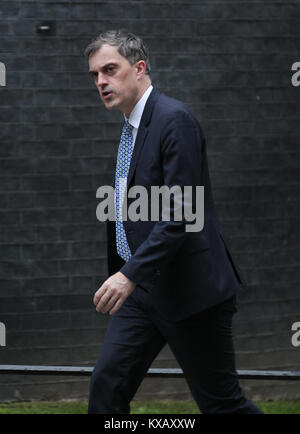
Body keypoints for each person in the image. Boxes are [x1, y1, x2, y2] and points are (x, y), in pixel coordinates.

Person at [84, 30, 263, 414]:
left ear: (140, 68)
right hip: (144, 290)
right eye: (95, 74)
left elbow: (182, 213)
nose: (101, 81)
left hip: (190, 293)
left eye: (110, 70)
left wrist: (127, 274)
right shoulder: (132, 124)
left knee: (221, 404)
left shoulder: (173, 120)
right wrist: (130, 274)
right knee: (106, 385)